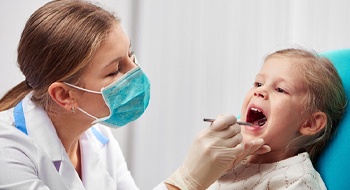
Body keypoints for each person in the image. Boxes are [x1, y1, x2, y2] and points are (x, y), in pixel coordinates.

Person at [0, 1, 270, 189]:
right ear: (64, 95)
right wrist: (187, 179)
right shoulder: (7, 152)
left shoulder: (98, 137)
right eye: (115, 70)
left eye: (130, 54)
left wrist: (211, 175)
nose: (136, 72)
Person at [208, 48, 347, 189]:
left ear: (310, 123)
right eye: (258, 84)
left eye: (280, 89)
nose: (260, 91)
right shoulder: (226, 160)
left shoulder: (297, 182)